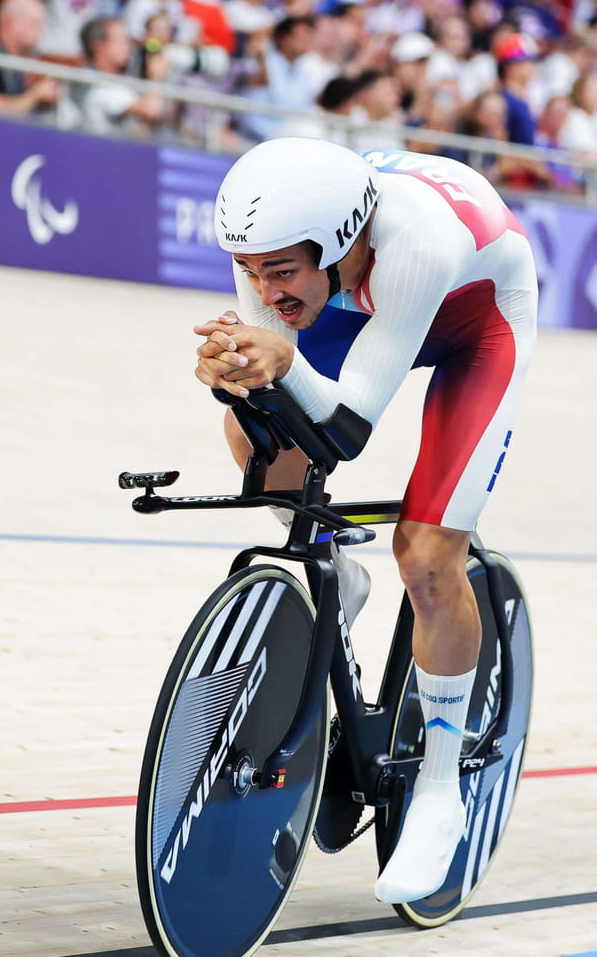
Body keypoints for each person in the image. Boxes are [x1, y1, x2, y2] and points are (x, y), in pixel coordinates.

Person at [192, 137, 536, 905]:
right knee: (251, 433)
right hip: (360, 304)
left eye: (281, 272)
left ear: (343, 241)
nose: (264, 288)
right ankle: (338, 575)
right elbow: (275, 396)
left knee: (426, 557)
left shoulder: (416, 240)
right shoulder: (276, 241)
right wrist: (235, 380)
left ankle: (441, 790)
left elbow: (347, 429)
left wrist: (279, 362)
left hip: (476, 322)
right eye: (250, 271)